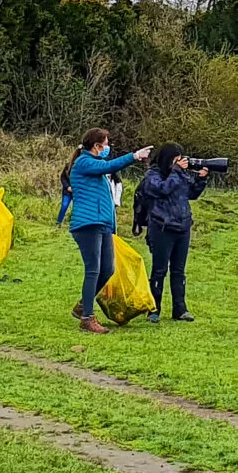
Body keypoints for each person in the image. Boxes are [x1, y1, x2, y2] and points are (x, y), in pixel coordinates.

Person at [56, 128, 146, 334]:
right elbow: (110, 165)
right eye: (105, 144)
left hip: (102, 224)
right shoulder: (85, 162)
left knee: (108, 269)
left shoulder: (95, 167)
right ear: (96, 146)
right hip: (88, 224)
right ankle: (87, 318)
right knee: (93, 270)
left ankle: (82, 306)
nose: (107, 148)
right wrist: (134, 156)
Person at [133, 143, 209, 325]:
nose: (179, 162)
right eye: (175, 158)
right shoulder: (153, 175)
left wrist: (201, 180)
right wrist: (175, 172)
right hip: (161, 227)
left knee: (179, 271)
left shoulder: (180, 174)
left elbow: (191, 194)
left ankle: (180, 309)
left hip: (182, 227)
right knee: (159, 270)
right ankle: (153, 309)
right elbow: (161, 189)